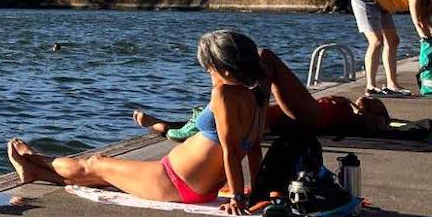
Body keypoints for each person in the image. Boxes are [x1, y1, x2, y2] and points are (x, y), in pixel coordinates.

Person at [7, 30, 266, 214]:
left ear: (224, 68)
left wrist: (239, 198)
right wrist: (255, 190)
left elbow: (231, 149)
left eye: (209, 68)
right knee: (103, 177)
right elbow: (252, 148)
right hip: (194, 185)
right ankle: (36, 171)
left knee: (96, 164)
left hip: (173, 180)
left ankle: (35, 158)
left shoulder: (223, 94)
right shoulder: (256, 96)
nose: (208, 73)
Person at [135, 91, 390, 139]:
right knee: (198, 124)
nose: (365, 97)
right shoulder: (344, 108)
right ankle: (164, 124)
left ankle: (157, 125)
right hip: (255, 114)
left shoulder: (341, 114)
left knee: (180, 133)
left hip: (257, 118)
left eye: (372, 104)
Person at [350, 0, 432, 96]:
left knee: (393, 41)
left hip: (382, 3)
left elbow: (425, 19)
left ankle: (392, 85)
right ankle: (371, 87)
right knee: (376, 41)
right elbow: (417, 21)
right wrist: (427, 41)